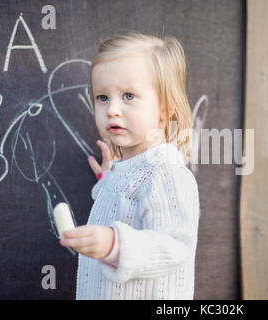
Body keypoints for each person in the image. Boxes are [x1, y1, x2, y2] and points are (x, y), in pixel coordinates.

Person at [59, 32, 200, 300]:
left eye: (128, 96)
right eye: (102, 97)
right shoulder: (130, 167)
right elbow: (125, 202)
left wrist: (114, 244)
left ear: (164, 106)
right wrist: (107, 178)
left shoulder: (167, 173)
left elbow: (175, 245)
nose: (112, 109)